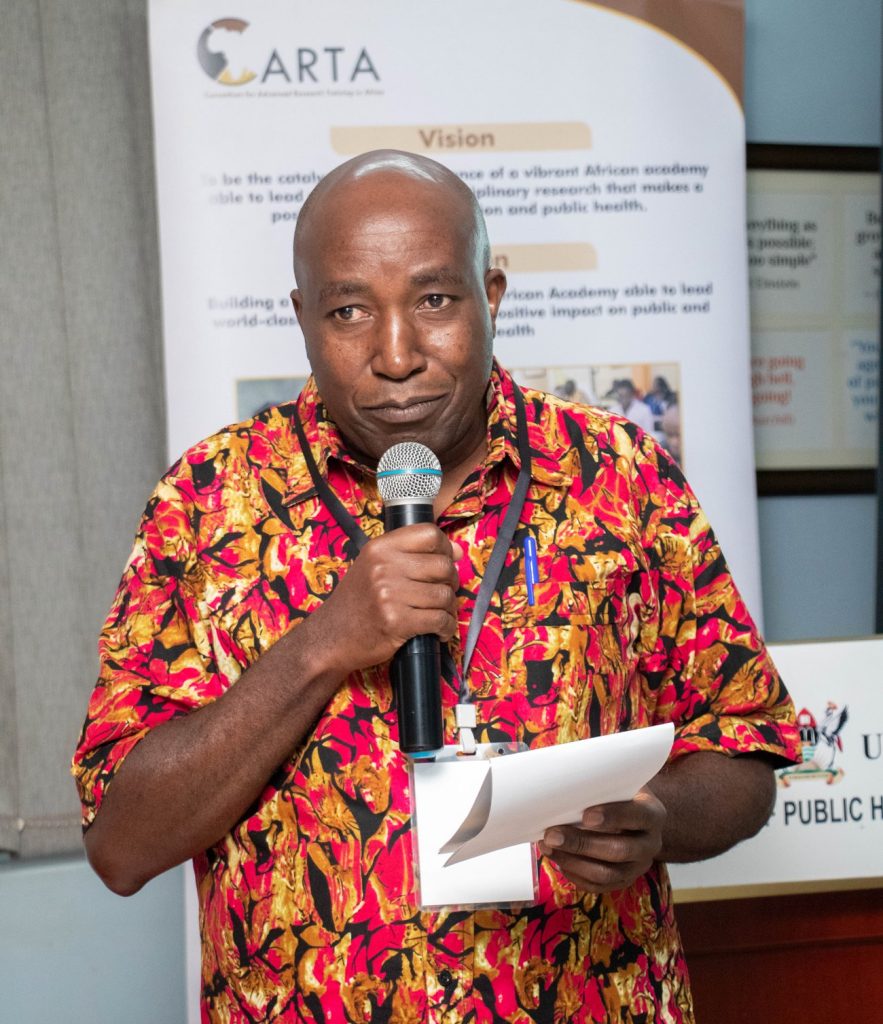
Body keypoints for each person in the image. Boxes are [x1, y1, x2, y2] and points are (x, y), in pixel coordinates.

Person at [73, 150, 799, 1023]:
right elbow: (121, 845)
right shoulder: (208, 504)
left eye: (434, 301)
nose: (396, 355)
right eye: (348, 311)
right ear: (301, 318)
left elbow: (744, 751)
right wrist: (321, 646)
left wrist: (655, 821)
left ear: (490, 295)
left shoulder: (620, 475)